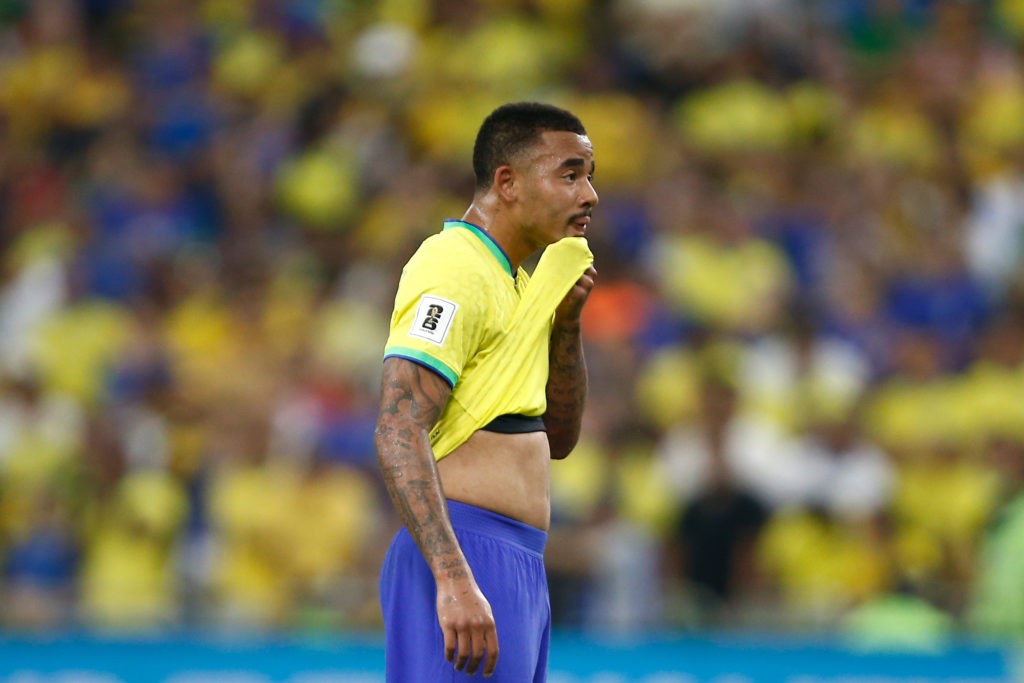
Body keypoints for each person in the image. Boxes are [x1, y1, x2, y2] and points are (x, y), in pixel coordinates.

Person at [375, 101, 598, 681]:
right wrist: (452, 576)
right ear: (508, 182)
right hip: (467, 550)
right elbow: (399, 425)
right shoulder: (455, 268)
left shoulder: (520, 284)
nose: (589, 194)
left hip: (519, 561)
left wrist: (566, 326)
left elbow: (559, 438)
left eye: (589, 176)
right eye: (570, 174)